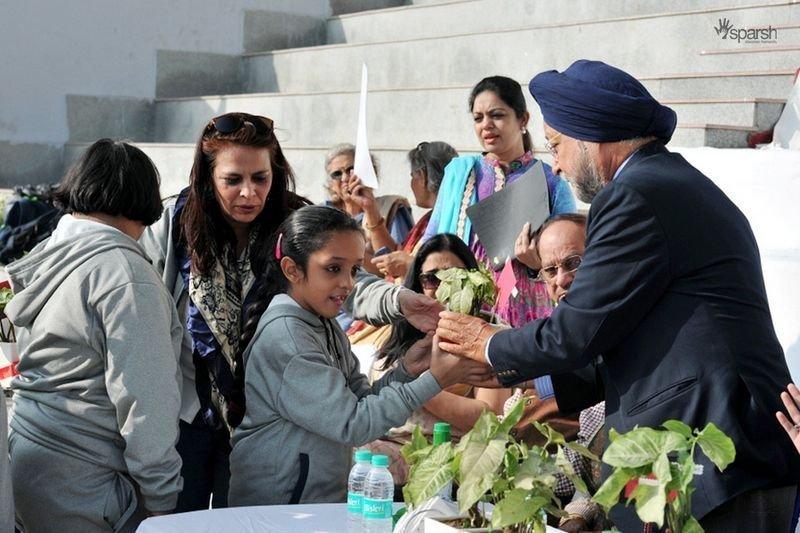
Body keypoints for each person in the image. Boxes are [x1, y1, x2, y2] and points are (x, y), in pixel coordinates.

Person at [436, 60, 799, 530]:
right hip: (714, 461)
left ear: (593, 138)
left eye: (557, 145)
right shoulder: (666, 184)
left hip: (712, 461)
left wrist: (486, 342)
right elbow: (621, 339)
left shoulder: (634, 195)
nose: (559, 163)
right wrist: (530, 379)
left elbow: (578, 333)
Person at [227, 206, 492, 505]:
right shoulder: (287, 338)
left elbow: (362, 401)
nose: (347, 283)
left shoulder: (323, 323)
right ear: (292, 269)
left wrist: (407, 370)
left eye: (354, 270)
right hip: (278, 508)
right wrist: (436, 379)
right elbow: (355, 424)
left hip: (312, 504)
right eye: (333, 269)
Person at [6, 139, 183, 532]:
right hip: (87, 480)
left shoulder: (53, 252)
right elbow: (146, 400)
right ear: (143, 200)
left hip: (29, 459)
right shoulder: (124, 274)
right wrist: (163, 498)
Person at [140, 112, 311, 511]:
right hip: (186, 417)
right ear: (207, 177)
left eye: (260, 179)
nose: (249, 193)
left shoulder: (297, 224)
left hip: (266, 418)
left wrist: (397, 301)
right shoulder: (174, 223)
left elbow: (341, 273)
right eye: (232, 180)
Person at [422, 75, 577, 328]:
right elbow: (432, 242)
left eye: (497, 115)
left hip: (530, 311)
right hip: (465, 306)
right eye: (478, 118)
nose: (487, 125)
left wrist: (536, 265)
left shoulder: (552, 181)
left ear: (523, 119)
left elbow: (571, 259)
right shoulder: (460, 173)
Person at [366, 233, 513, 487]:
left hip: (452, 455)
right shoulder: (405, 331)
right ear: (418, 286)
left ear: (475, 280)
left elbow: (489, 416)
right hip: (386, 448)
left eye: (457, 276)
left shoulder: (491, 333)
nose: (446, 287)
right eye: (432, 279)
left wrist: (425, 388)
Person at [371, 141, 458, 280]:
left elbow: (453, 273)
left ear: (423, 177)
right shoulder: (429, 220)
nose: (411, 183)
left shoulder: (453, 220)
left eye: (413, 176)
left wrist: (411, 265)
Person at [324, 142, 414, 274]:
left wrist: (370, 209)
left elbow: (395, 264)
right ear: (331, 184)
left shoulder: (391, 207)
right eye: (337, 174)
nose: (345, 178)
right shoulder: (323, 213)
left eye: (351, 169)